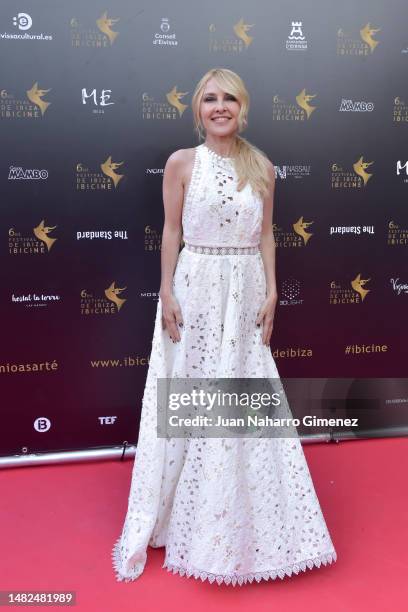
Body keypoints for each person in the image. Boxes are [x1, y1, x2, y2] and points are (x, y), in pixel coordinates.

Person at [111, 68, 337, 586]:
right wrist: (166, 290)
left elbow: (268, 236)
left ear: (243, 106)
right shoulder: (181, 163)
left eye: (228, 98)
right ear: (198, 110)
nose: (219, 107)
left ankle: (238, 519)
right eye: (209, 99)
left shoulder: (262, 166)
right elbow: (170, 230)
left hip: (247, 288)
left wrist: (274, 291)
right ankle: (182, 517)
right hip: (196, 285)